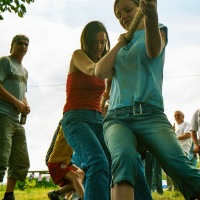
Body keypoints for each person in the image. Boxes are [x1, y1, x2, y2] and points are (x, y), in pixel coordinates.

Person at [95, 0, 200, 199]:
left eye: (127, 10)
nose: (123, 17)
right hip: (117, 118)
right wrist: (121, 42)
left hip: (151, 114)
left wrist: (152, 15)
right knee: (123, 157)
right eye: (118, 15)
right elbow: (100, 72)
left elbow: (153, 51)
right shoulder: (120, 45)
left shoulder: (158, 29)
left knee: (180, 166)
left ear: (139, 7)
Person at [61, 20, 152, 200]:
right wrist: (118, 47)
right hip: (76, 119)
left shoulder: (104, 63)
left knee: (130, 158)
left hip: (98, 119)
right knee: (98, 161)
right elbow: (93, 69)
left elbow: (110, 88)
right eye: (95, 42)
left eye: (103, 42)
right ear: (86, 42)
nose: (99, 46)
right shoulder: (78, 56)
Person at [0, 34, 30, 200]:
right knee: (1, 158)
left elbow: (22, 94)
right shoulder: (5, 62)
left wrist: (25, 105)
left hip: (16, 120)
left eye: (26, 44)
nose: (23, 46)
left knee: (21, 160)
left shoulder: (24, 71)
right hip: (2, 114)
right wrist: (16, 102)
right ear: (12, 45)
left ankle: (9, 195)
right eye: (20, 43)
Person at [47, 122, 84, 200]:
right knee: (75, 177)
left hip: (66, 162)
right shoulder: (65, 128)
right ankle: (84, 197)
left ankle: (56, 193)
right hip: (56, 162)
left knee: (81, 173)